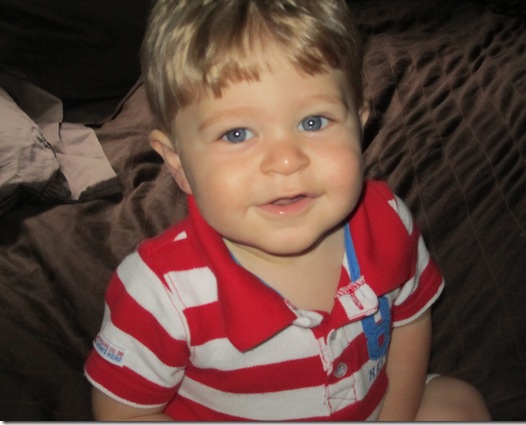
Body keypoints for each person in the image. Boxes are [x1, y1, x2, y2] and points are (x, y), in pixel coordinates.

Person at [84, 0, 491, 421]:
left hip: (376, 406)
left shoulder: (387, 218)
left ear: (359, 125)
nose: (285, 160)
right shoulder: (161, 292)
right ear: (179, 164)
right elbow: (124, 415)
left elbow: (409, 321)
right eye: (237, 134)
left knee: (458, 402)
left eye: (313, 122)